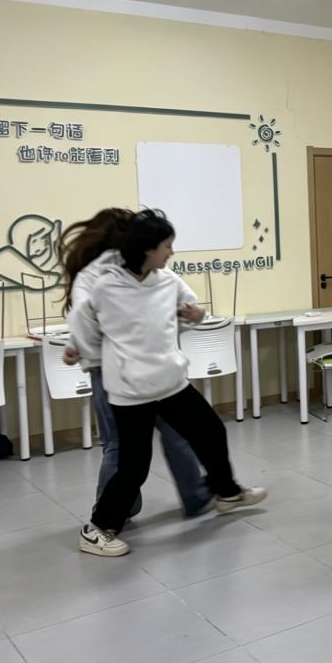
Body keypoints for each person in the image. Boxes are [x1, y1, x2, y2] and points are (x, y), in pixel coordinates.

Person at [69, 209, 266, 557]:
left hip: (171, 382)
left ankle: (227, 493)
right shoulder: (106, 286)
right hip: (131, 392)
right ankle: (97, 529)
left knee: (210, 433)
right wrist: (93, 358)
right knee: (134, 464)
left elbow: (191, 310)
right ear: (147, 248)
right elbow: (82, 323)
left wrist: (197, 315)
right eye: (167, 245)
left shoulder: (167, 280)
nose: (171, 252)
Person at [60, 208, 212, 520]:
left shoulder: (126, 271)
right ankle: (116, 512)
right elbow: (91, 320)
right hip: (119, 372)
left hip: (136, 370)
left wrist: (82, 348)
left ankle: (133, 506)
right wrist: (83, 348)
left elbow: (99, 320)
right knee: (137, 443)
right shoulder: (100, 276)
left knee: (129, 443)